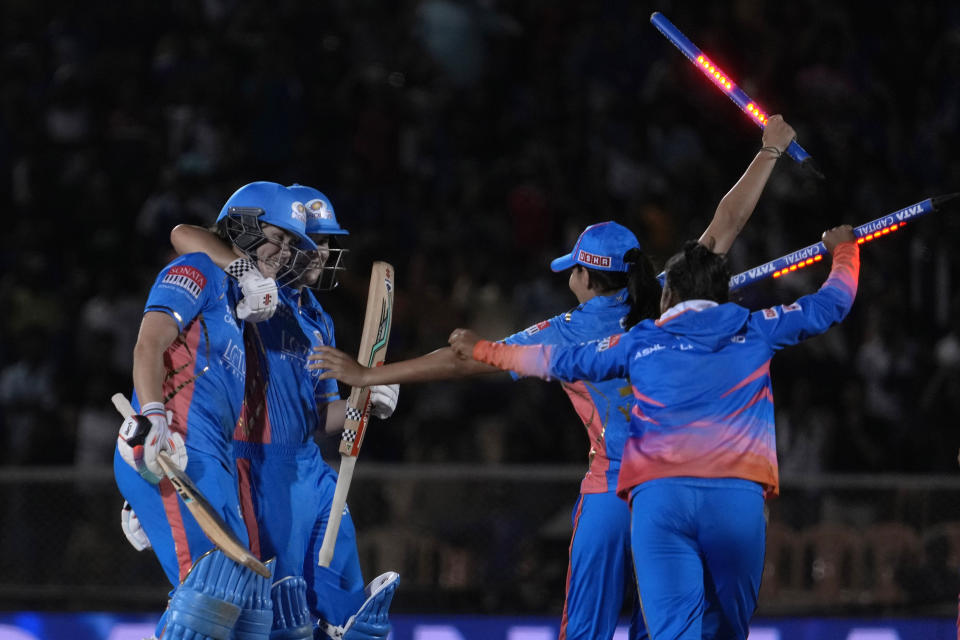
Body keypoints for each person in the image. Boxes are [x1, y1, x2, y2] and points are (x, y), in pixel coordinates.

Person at [309, 116, 798, 639]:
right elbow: (726, 224)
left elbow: (463, 363)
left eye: (573, 269)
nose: (568, 278)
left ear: (586, 277)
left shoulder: (565, 333)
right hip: (676, 486)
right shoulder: (664, 298)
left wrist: (369, 373)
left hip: (613, 491)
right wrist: (769, 151)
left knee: (585, 630)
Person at [450, 225, 860, 640]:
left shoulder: (639, 341)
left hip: (661, 502)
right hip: (736, 502)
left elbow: (561, 360)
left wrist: (487, 350)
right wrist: (843, 249)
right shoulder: (758, 329)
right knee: (725, 632)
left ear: (667, 297)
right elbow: (833, 303)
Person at [166, 183, 400, 640]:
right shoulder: (246, 288)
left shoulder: (317, 317)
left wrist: (364, 399)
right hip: (255, 464)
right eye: (311, 242)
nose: (322, 253)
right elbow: (184, 234)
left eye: (327, 243)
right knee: (280, 618)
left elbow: (323, 416)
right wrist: (243, 271)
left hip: (309, 465)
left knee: (347, 618)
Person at [115, 180, 317, 640]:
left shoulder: (244, 303)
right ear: (244, 228)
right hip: (176, 449)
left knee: (250, 609)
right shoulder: (198, 269)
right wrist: (152, 415)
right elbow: (149, 342)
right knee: (210, 598)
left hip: (216, 458)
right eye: (279, 239)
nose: (285, 254)